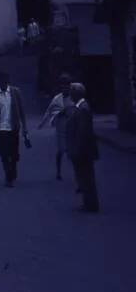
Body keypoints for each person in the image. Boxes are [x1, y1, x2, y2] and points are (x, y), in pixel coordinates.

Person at [0, 72, 29, 187]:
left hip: (13, 128)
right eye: (1, 81)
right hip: (0, 129)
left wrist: (25, 127)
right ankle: (8, 177)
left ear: (8, 81)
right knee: (4, 154)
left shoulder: (15, 92)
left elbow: (22, 111)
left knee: (14, 153)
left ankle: (13, 167)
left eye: (5, 80)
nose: (3, 83)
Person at [65, 83, 100, 213]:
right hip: (82, 149)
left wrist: (77, 149)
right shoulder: (79, 107)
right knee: (84, 176)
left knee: (87, 177)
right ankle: (88, 203)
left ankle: (91, 204)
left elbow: (83, 132)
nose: (70, 95)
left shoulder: (83, 108)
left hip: (83, 150)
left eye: (71, 92)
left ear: (76, 94)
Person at [38, 73, 73, 180]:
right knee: (61, 150)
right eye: (62, 85)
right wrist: (42, 123)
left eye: (66, 85)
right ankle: (58, 172)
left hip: (72, 127)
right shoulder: (57, 98)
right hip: (61, 127)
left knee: (72, 150)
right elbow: (49, 111)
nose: (64, 87)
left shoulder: (73, 97)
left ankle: (75, 172)